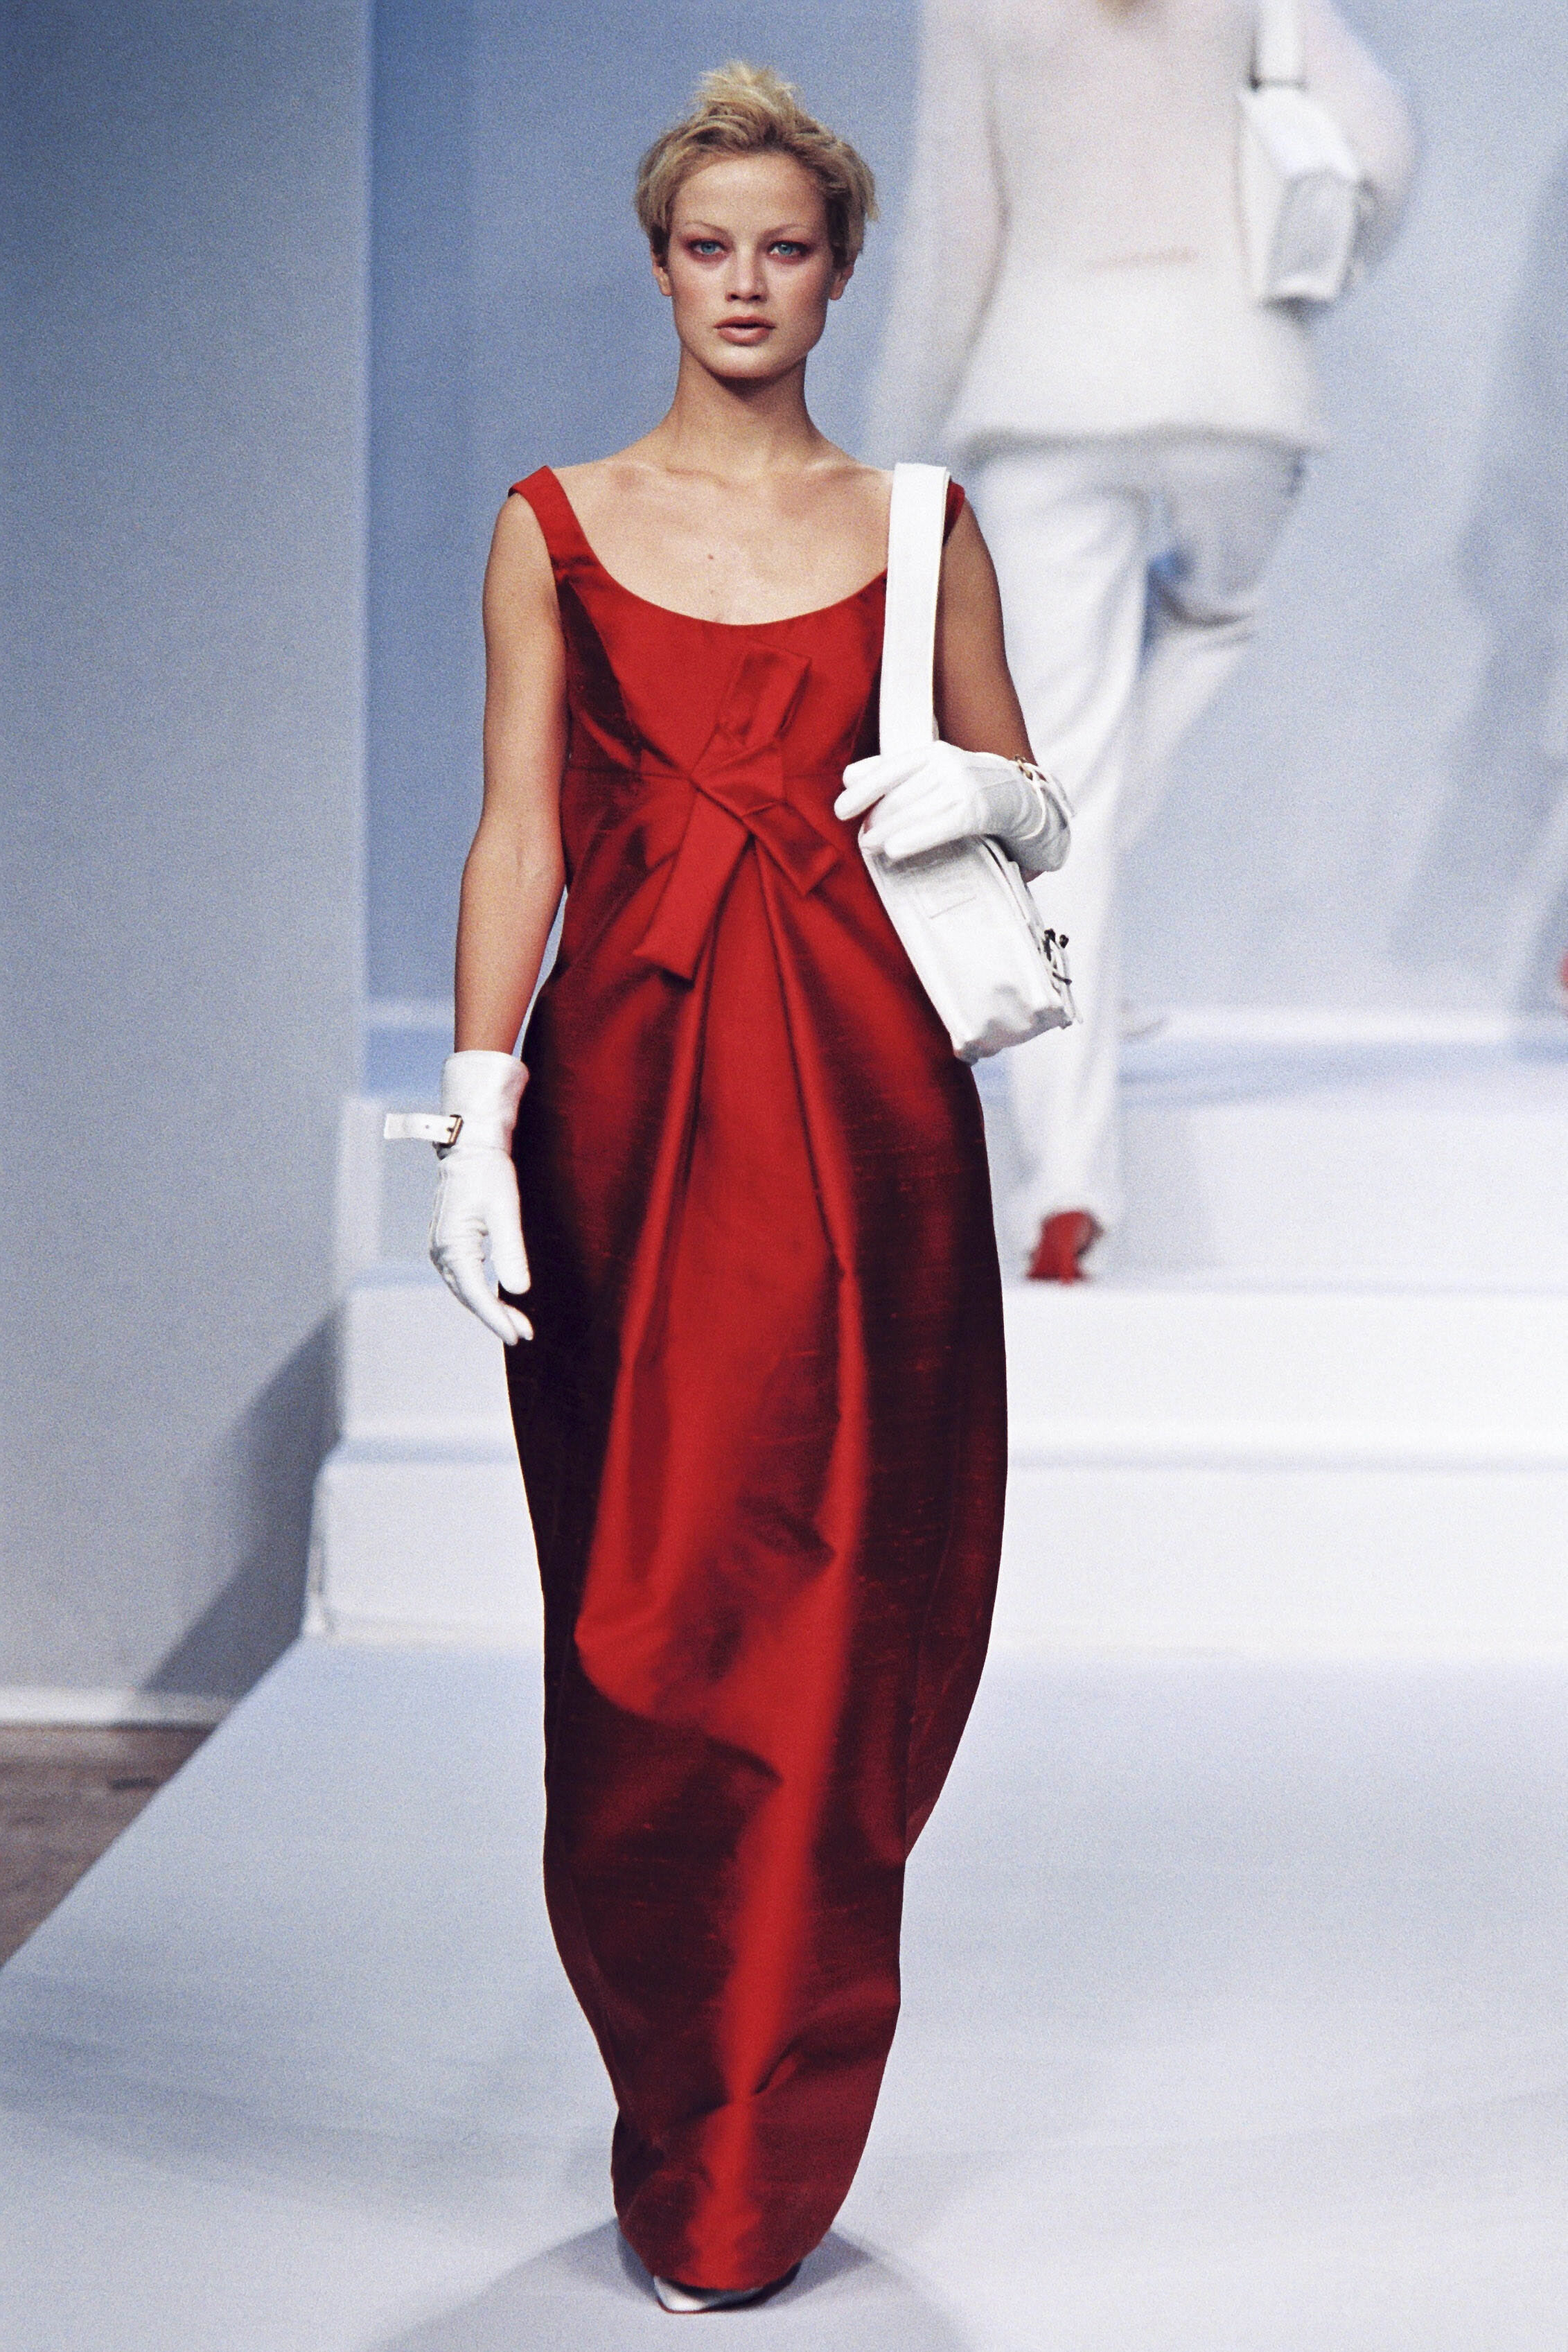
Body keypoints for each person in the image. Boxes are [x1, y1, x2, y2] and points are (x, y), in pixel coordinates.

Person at [422, 63, 1062, 2312]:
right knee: (640, 1614)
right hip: (623, 1107)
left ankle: (757, 2145)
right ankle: (679, 2083)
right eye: (711, 247)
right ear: (660, 263)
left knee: (844, 1604)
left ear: (840, 269)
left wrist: (976, 794)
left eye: (786, 247)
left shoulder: (923, 523)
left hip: (866, 1109)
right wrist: (477, 1102)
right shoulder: (554, 525)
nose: (746, 283)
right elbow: (518, 828)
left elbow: (1020, 798)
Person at [869, 0, 1416, 1279]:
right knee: (1213, 614)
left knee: (1059, 778)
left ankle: (1067, 1191)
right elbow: (1381, 140)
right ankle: (1092, 870)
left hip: (1046, 388)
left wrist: (890, 462)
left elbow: (958, 238)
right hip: (1236, 381)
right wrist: (1312, 262)